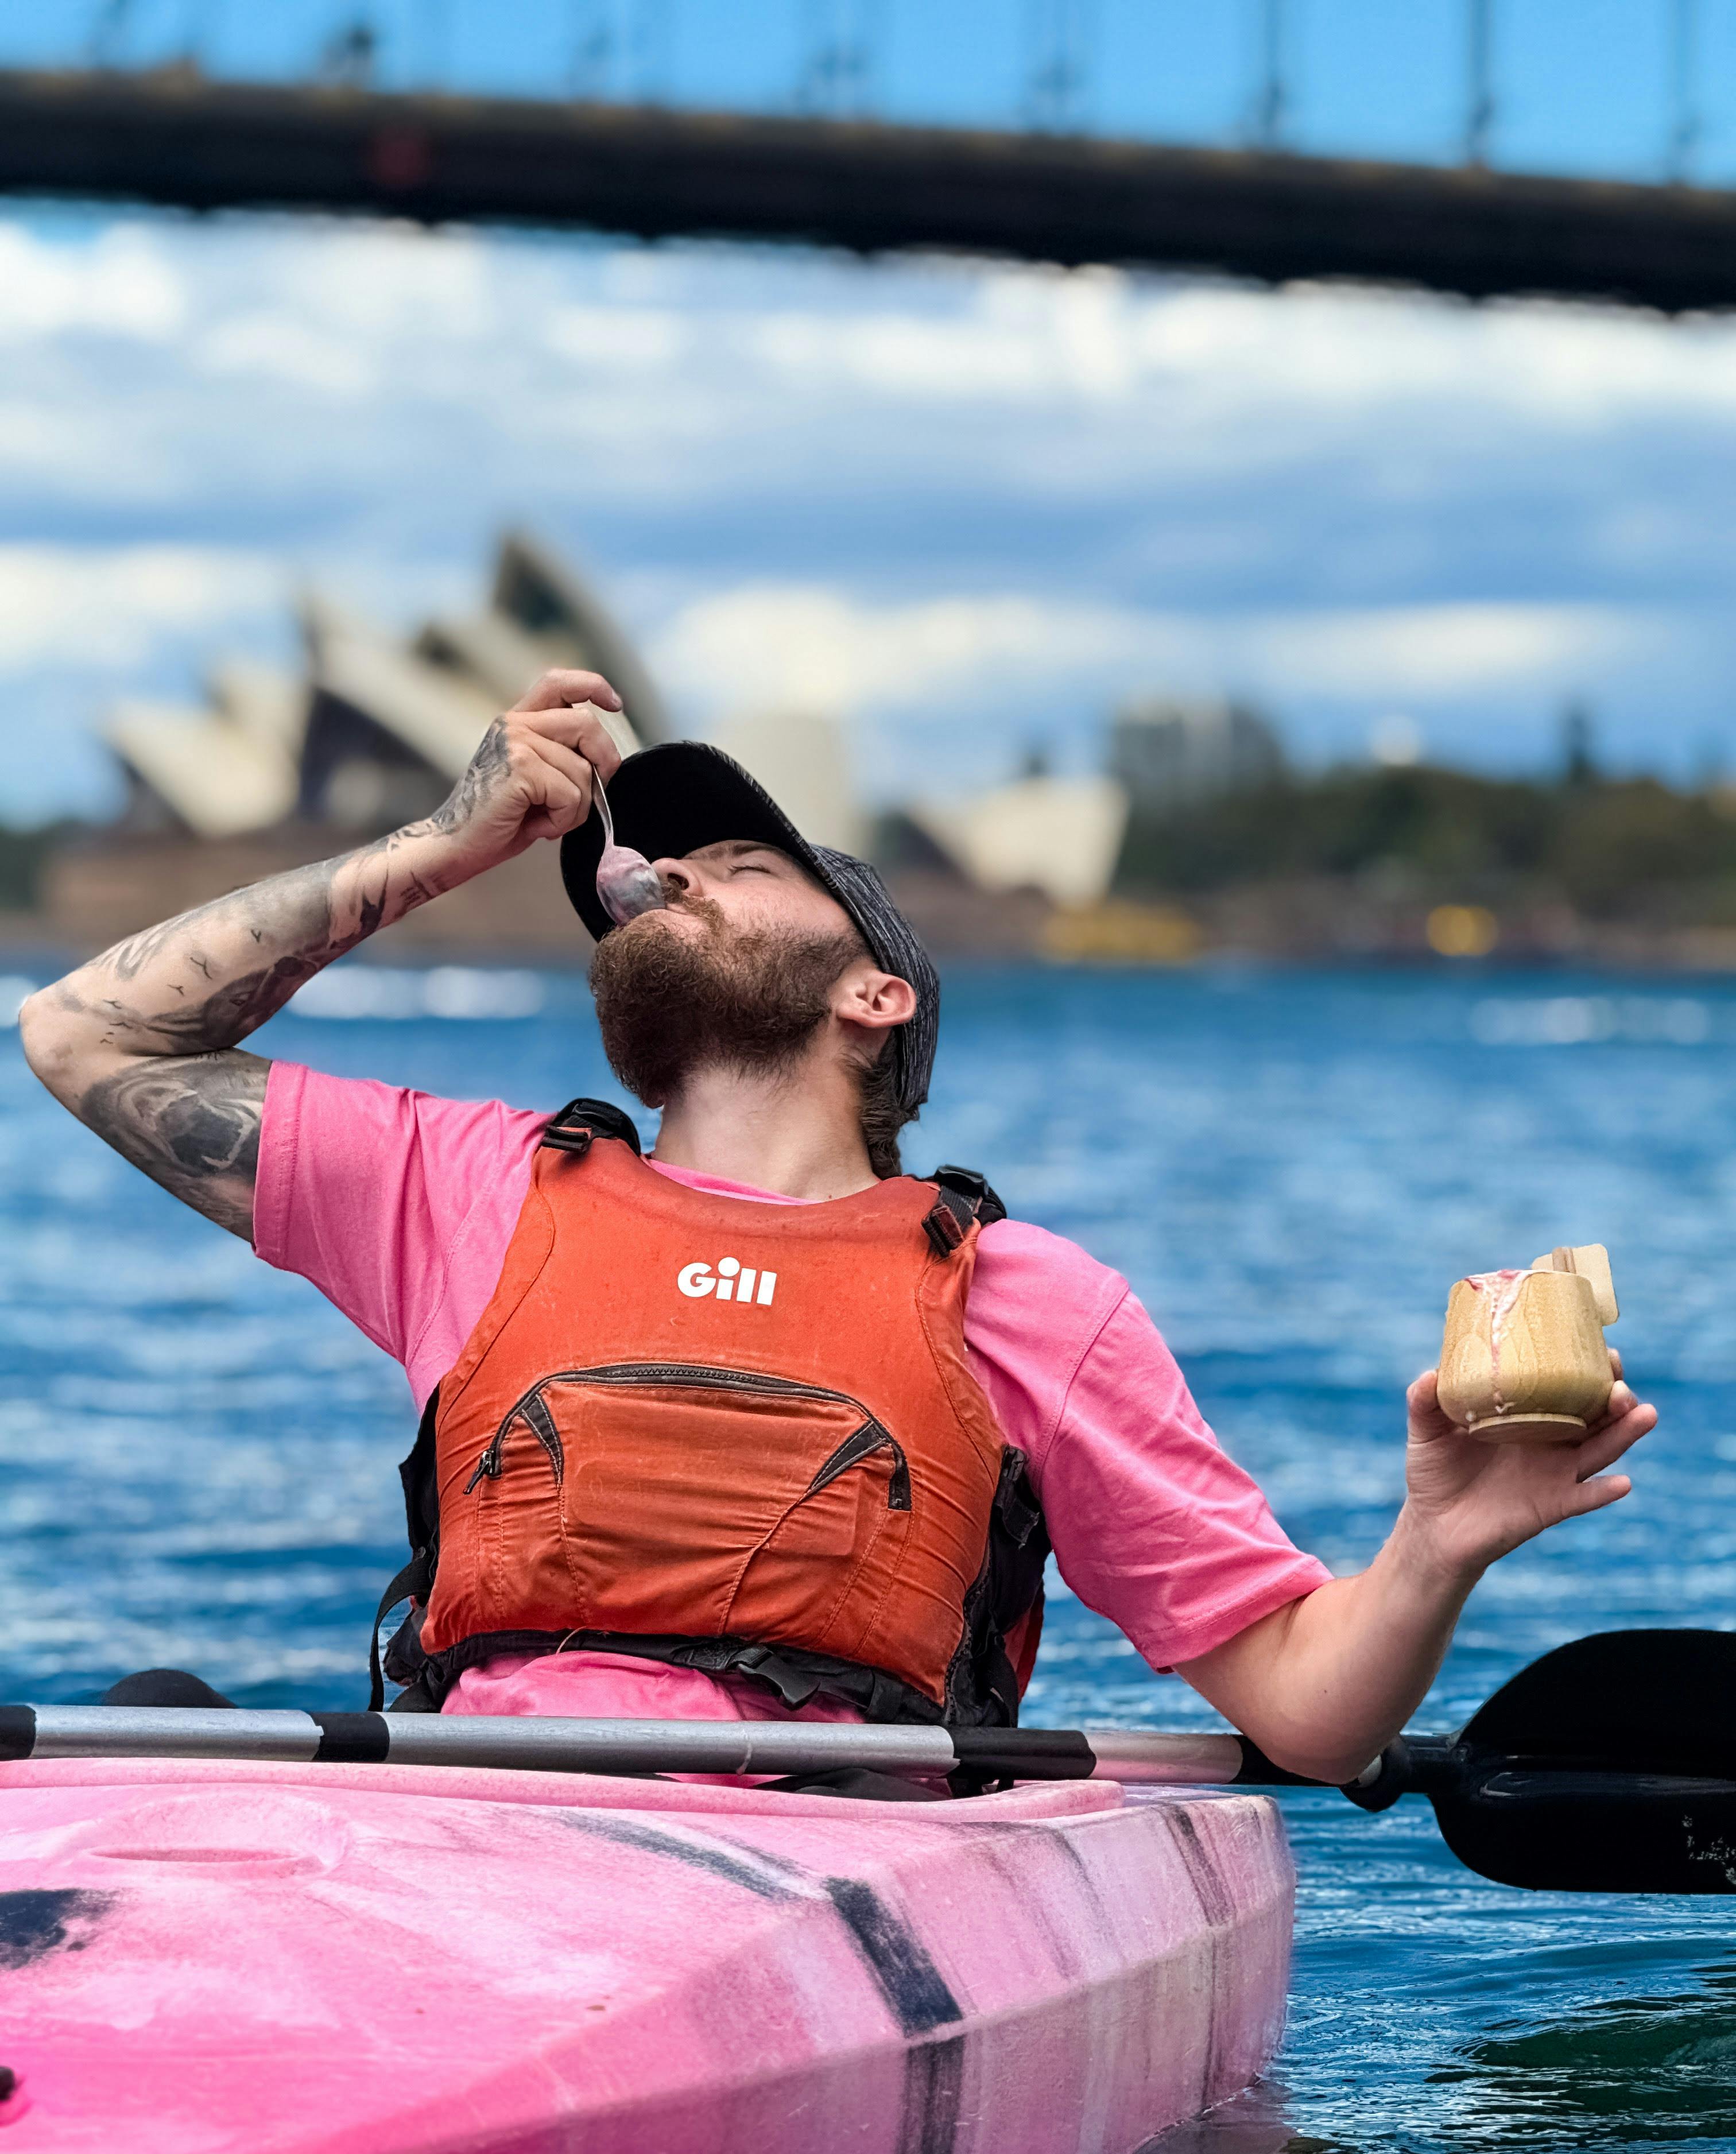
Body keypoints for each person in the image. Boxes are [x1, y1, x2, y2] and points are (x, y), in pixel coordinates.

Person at [20, 670, 1656, 1782]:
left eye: (731, 860)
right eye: (656, 867)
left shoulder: (1028, 1299)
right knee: (158, 1718)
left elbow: (1305, 1713)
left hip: (818, 1868)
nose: (665, 876)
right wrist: (443, 849)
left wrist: (1436, 1542)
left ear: (875, 990)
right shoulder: (469, 1190)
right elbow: (83, 1038)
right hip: (477, 1831)